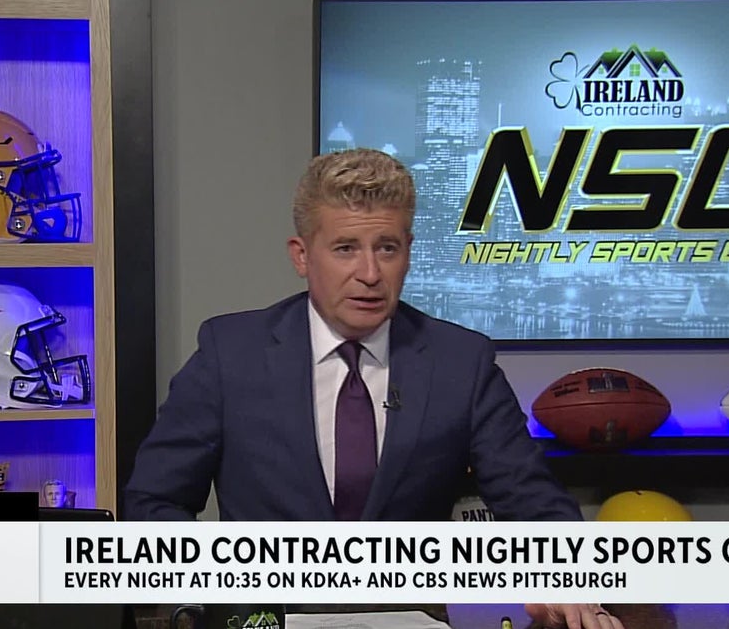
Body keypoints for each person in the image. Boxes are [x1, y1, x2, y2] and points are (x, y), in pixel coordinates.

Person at [124, 148, 623, 629]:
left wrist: (566, 579)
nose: (369, 274)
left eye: (387, 248)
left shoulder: (460, 362)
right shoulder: (231, 354)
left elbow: (531, 497)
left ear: (408, 252)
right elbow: (154, 500)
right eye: (346, 249)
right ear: (302, 256)